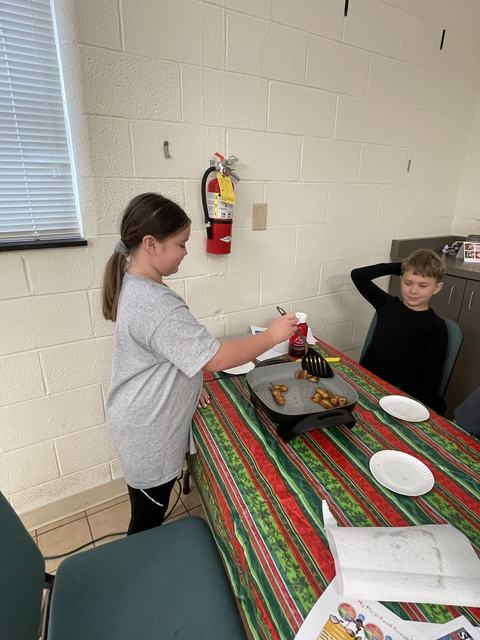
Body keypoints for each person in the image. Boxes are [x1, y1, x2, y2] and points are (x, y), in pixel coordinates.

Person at [102, 193, 297, 535]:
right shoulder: (154, 303)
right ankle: (139, 573)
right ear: (151, 244)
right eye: (181, 244)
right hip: (148, 432)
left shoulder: (138, 284)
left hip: (139, 418)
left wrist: (187, 389)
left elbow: (168, 354)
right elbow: (216, 359)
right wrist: (272, 335)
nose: (186, 252)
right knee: (147, 521)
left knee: (150, 509)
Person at [351, 249, 448, 413]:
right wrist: (400, 267)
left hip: (402, 398)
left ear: (437, 288)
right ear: (400, 279)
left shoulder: (436, 327)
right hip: (367, 383)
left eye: (422, 285)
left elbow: (432, 379)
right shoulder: (387, 305)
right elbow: (358, 275)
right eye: (408, 283)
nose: (413, 291)